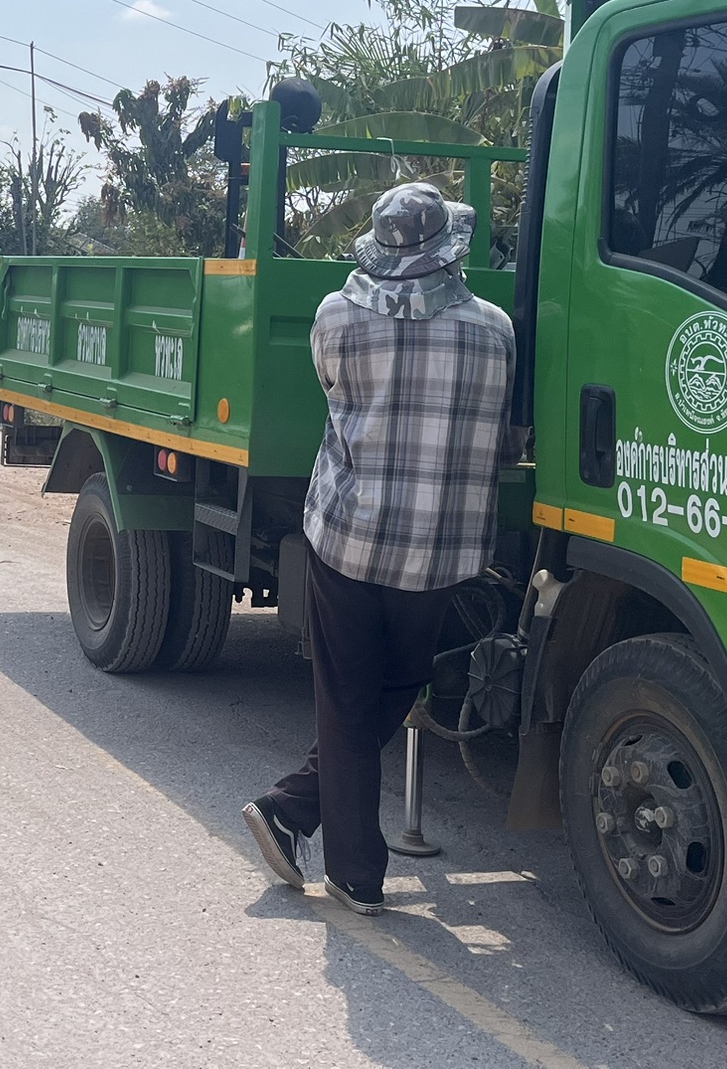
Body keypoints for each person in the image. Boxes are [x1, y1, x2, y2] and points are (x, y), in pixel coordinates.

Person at [242, 180, 515, 914]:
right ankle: (300, 819)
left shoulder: (336, 315)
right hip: (437, 549)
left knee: (348, 697)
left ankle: (336, 852)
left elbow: (330, 387)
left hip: (349, 535)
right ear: (449, 250)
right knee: (401, 682)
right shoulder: (494, 329)